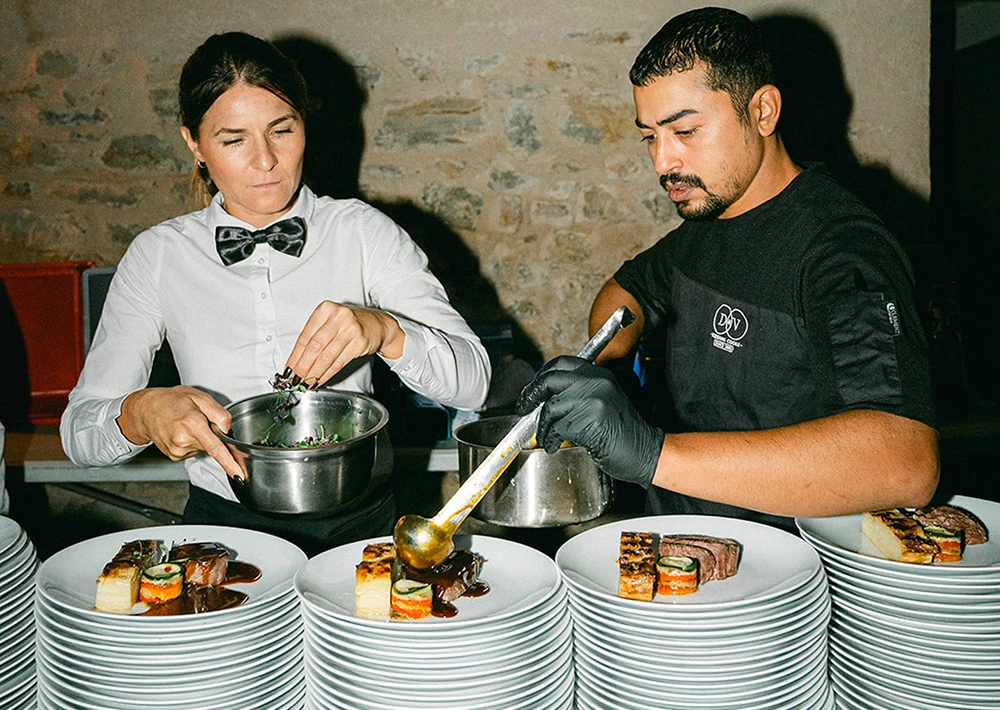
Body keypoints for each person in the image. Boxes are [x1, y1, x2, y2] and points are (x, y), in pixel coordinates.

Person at [61, 32, 490, 552]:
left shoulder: (363, 233)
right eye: (233, 139)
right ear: (194, 143)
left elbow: (474, 384)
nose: (265, 160)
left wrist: (385, 331)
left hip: (362, 529)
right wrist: (140, 413)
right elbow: (79, 434)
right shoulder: (158, 256)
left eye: (281, 130)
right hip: (222, 533)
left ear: (305, 123)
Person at [517, 7, 939, 532]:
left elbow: (905, 461)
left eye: (686, 130)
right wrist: (610, 371)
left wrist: (650, 452)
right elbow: (625, 293)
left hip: (783, 579)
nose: (663, 162)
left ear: (762, 111)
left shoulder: (842, 249)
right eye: (649, 136)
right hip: (677, 551)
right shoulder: (712, 219)